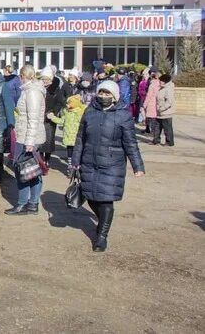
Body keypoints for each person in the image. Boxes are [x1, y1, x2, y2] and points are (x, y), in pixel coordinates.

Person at [71, 81, 145, 252]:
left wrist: (137, 166)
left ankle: (102, 236)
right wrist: (75, 161)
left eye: (107, 94)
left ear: (115, 96)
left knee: (105, 199)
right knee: (90, 196)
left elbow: (131, 143)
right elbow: (80, 138)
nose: (103, 96)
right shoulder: (90, 112)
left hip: (112, 164)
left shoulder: (123, 115)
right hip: (89, 161)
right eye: (101, 93)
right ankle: (104, 222)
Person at [5, 65, 46, 216]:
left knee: (23, 170)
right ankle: (32, 204)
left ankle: (23, 204)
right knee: (32, 170)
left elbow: (33, 119)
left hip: (28, 137)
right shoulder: (29, 90)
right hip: (27, 135)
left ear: (23, 75)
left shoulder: (32, 92)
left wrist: (29, 141)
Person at [38, 66, 69, 165]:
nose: (45, 81)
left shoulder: (56, 89)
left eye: (47, 79)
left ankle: (47, 159)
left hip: (50, 117)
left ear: (51, 79)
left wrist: (54, 113)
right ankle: (40, 158)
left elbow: (60, 102)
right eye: (43, 79)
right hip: (39, 116)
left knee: (48, 140)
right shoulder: (38, 88)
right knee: (39, 139)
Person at [47, 94, 86, 166]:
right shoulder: (66, 112)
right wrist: (52, 118)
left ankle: (77, 166)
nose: (67, 104)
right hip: (68, 137)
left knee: (77, 152)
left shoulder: (81, 112)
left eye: (69, 103)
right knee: (70, 152)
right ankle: (70, 166)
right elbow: (62, 121)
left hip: (77, 137)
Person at [154, 74, 175, 146]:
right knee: (157, 127)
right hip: (159, 112)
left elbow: (169, 102)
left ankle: (169, 142)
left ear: (165, 81)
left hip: (166, 113)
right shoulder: (161, 88)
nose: (159, 82)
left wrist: (162, 108)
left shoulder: (169, 89)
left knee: (167, 129)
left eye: (161, 81)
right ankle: (156, 140)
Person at [142, 69, 160, 136]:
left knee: (151, 119)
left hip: (151, 103)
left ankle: (153, 133)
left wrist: (145, 104)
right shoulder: (160, 84)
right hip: (157, 103)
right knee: (155, 119)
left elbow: (149, 95)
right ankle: (155, 133)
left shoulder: (152, 85)